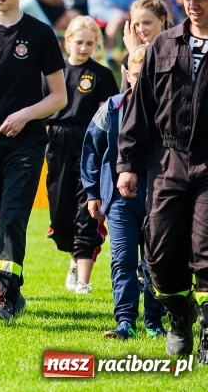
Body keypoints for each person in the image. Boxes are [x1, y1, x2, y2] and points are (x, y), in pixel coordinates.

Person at [117, 0, 208, 361]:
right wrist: (127, 165)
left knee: (206, 249)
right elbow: (139, 110)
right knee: (160, 251)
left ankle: (207, 332)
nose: (194, 4)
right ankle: (178, 316)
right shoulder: (164, 45)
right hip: (168, 159)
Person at [0, 0, 67, 321]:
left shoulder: (40, 34)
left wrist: (24, 115)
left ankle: (7, 296)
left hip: (26, 143)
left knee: (11, 217)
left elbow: (59, 97)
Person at [81, 43, 167, 340]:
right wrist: (93, 192)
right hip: (120, 198)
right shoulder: (112, 108)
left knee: (155, 260)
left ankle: (155, 322)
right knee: (123, 258)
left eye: (148, 76)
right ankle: (125, 321)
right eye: (135, 75)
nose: (141, 81)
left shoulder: (167, 109)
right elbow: (92, 151)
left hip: (160, 194)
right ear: (126, 74)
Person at [45, 16, 117, 296]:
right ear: (67, 42)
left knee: (87, 208)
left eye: (90, 42)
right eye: (79, 41)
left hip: (88, 143)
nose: (84, 47)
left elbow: (107, 116)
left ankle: (84, 281)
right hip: (58, 142)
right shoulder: (54, 73)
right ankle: (74, 260)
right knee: (60, 214)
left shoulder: (102, 75)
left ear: (96, 44)